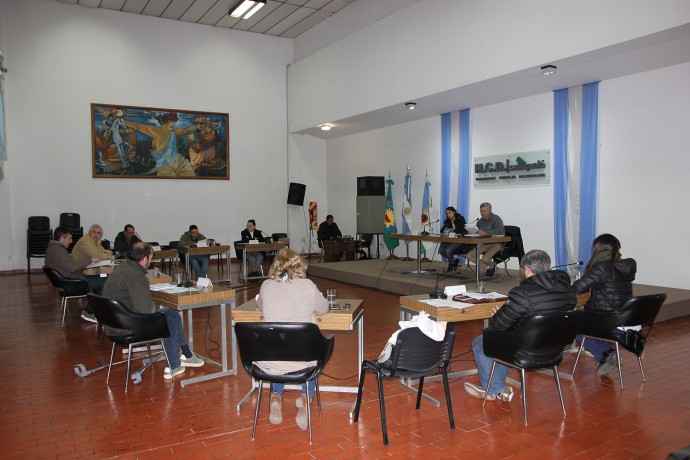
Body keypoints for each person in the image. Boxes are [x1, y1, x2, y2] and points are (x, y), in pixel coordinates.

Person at [464, 249, 576, 402]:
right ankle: (496, 386)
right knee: (505, 339)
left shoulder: (522, 293)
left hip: (525, 350)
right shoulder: (568, 292)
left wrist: (499, 315)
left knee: (480, 342)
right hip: (554, 349)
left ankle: (494, 389)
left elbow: (499, 325)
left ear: (528, 269)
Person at [102, 242, 204, 379]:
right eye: (150, 258)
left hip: (112, 324)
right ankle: (173, 365)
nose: (150, 261)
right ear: (144, 259)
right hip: (126, 327)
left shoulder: (121, 268)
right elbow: (146, 309)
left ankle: (186, 354)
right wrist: (160, 306)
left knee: (168, 312)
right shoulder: (136, 276)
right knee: (171, 315)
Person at [255, 249, 328, 430]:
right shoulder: (308, 285)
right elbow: (323, 309)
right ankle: (304, 398)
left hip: (270, 362)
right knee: (310, 352)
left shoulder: (266, 285)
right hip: (303, 361)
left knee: (278, 348)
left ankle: (275, 397)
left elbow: (259, 305)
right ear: (298, 265)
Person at [572, 233, 636, 376]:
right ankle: (605, 352)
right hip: (628, 320)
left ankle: (605, 353)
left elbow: (577, 288)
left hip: (610, 322)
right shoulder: (624, 266)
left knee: (572, 324)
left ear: (598, 249)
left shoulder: (601, 267)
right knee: (584, 319)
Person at [44, 226, 105, 323]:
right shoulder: (57, 251)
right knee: (107, 281)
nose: (71, 241)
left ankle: (95, 309)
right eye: (69, 238)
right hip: (73, 282)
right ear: (62, 238)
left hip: (72, 279)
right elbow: (72, 267)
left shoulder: (54, 248)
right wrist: (90, 260)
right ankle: (89, 311)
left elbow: (70, 266)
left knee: (104, 278)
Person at [465, 202, 505, 277]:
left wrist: (486, 232)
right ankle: (489, 268)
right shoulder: (480, 221)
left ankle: (492, 266)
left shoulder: (496, 219)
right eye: (481, 211)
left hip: (496, 243)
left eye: (484, 211)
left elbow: (499, 230)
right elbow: (478, 230)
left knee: (485, 259)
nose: (482, 213)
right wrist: (473, 231)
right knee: (469, 255)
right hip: (485, 243)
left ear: (489, 211)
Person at [438, 206, 467, 272]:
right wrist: (445, 231)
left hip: (459, 240)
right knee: (441, 250)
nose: (448, 215)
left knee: (448, 250)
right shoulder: (447, 221)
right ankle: (454, 260)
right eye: (447, 214)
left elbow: (460, 230)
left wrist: (453, 230)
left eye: (449, 213)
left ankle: (451, 264)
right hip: (449, 240)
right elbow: (442, 230)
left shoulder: (460, 219)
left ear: (454, 212)